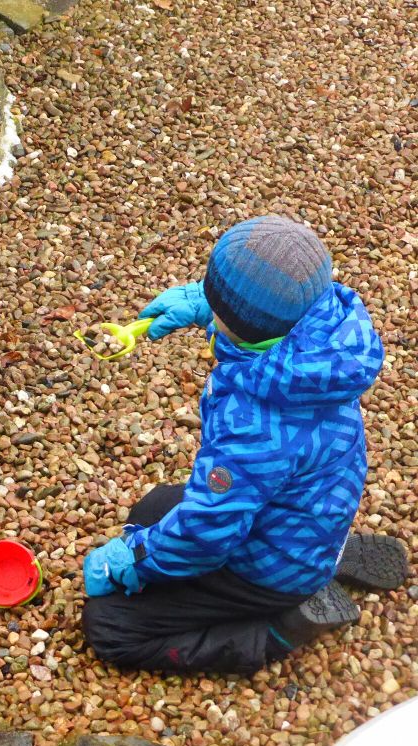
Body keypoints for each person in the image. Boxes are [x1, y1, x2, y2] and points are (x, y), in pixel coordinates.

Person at [81, 215, 408, 674]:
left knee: (109, 625)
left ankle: (279, 628)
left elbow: (207, 536)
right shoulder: (324, 337)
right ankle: (327, 553)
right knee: (153, 509)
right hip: (308, 506)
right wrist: (202, 303)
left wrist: (133, 560)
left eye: (216, 310)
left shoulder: (253, 424)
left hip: (273, 569)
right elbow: (267, 320)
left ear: (238, 324)